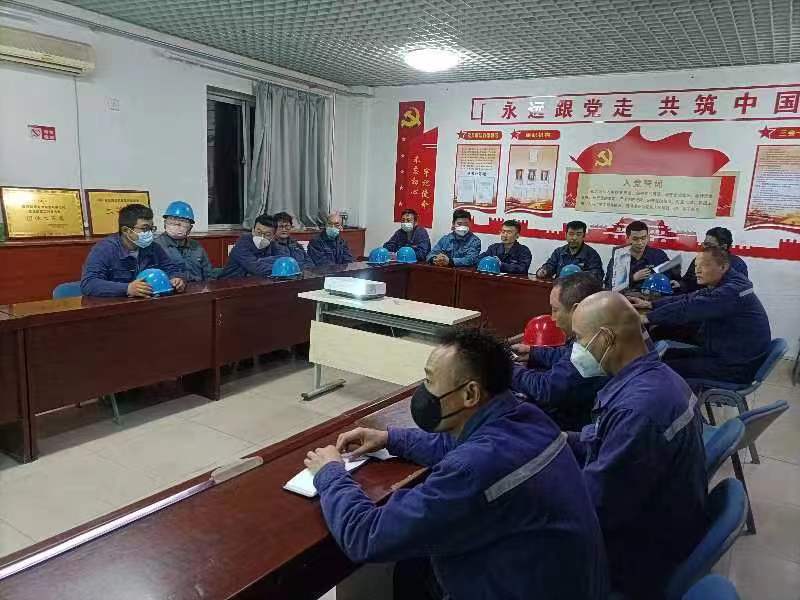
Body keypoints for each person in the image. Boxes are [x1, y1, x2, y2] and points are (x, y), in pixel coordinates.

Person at [304, 328, 608, 600]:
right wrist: (390, 438)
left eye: (429, 380)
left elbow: (367, 536)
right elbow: (457, 445)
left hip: (519, 586)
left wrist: (330, 473)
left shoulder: (473, 469)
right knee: (412, 568)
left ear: (470, 393)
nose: (423, 392)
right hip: (558, 579)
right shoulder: (529, 417)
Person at [569, 291, 707, 599]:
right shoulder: (657, 378)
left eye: (578, 338)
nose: (574, 348)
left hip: (638, 557)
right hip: (659, 523)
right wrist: (561, 441)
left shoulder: (639, 410)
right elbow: (606, 439)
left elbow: (594, 507)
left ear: (605, 339)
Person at [631, 247, 771, 384]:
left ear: (722, 267)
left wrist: (647, 318)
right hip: (725, 352)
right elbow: (689, 298)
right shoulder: (727, 283)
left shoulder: (731, 292)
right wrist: (651, 305)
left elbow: (689, 308)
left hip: (736, 366)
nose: (696, 270)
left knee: (659, 368)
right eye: (696, 266)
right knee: (665, 355)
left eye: (703, 265)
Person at [510, 272, 607, 430]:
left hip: (571, 426)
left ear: (577, 310)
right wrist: (532, 353)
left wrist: (508, 368)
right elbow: (568, 354)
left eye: (555, 310)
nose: (553, 318)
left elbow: (546, 390)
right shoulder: (597, 331)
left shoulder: (591, 347)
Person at [81, 203, 186, 297]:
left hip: (149, 302)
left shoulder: (153, 247)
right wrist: (127, 289)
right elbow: (89, 284)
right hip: (116, 306)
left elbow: (172, 269)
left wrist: (177, 279)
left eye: (151, 228)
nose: (149, 233)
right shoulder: (104, 249)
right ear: (126, 230)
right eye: (144, 228)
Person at [603, 220, 678, 291]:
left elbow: (674, 279)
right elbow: (609, 285)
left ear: (648, 237)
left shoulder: (659, 255)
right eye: (635, 239)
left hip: (653, 297)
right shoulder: (619, 257)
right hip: (625, 297)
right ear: (628, 238)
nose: (640, 242)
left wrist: (673, 283)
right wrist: (632, 278)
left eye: (643, 238)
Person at [154, 200, 213, 282]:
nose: (177, 224)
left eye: (183, 221)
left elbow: (209, 274)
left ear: (190, 228)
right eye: (173, 220)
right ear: (165, 224)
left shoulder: (196, 246)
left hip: (198, 288)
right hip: (171, 289)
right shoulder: (155, 246)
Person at [678, 227, 748, 293]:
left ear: (723, 247)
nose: (704, 247)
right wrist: (680, 284)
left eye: (709, 245)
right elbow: (687, 281)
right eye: (704, 244)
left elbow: (734, 293)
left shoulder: (737, 265)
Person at [537, 220, 604, 280]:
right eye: (571, 234)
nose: (574, 238)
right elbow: (550, 266)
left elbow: (597, 276)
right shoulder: (558, 252)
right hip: (559, 287)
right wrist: (544, 271)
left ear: (583, 236)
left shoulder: (592, 255)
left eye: (578, 234)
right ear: (566, 235)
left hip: (580, 289)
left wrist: (579, 276)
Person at [219, 214, 279, 279]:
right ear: (253, 231)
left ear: (273, 236)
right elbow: (255, 268)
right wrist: (279, 268)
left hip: (256, 281)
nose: (262, 237)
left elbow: (282, 258)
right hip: (229, 282)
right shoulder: (242, 243)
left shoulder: (273, 245)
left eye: (267, 235)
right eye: (259, 232)